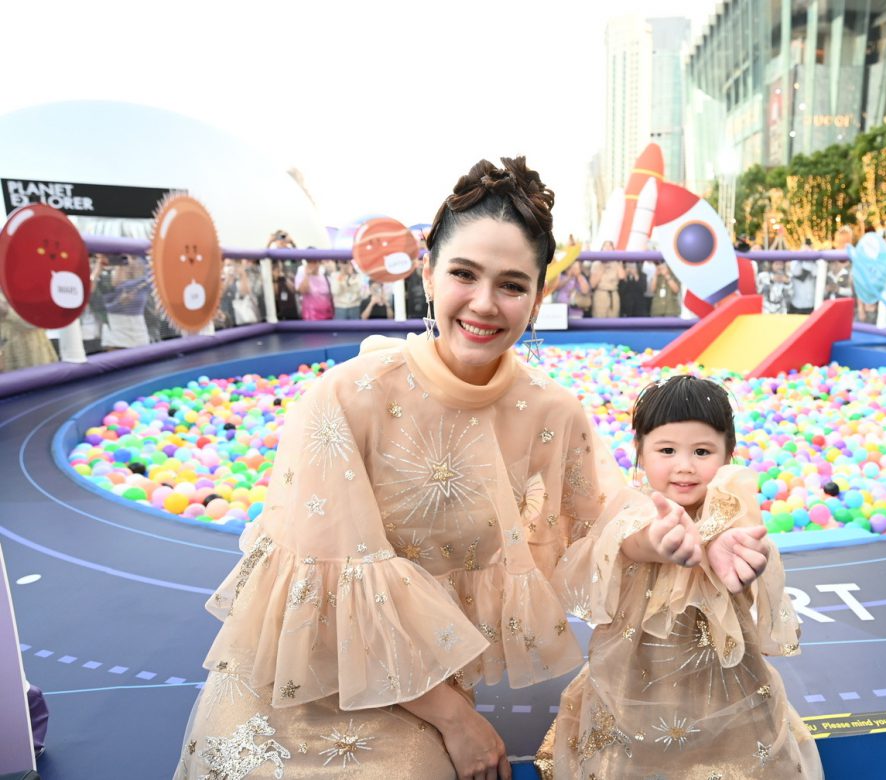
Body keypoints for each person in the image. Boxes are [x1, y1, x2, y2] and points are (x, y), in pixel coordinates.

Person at [173, 156, 633, 780]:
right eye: (464, 274)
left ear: (538, 296)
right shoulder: (342, 399)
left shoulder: (549, 410)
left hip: (415, 696)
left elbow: (614, 521)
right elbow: (326, 607)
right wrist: (455, 720)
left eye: (512, 284)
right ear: (427, 273)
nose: (484, 304)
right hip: (296, 686)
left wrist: (704, 534)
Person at [537, 375, 822, 779]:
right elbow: (631, 540)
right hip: (638, 686)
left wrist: (750, 560)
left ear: (728, 455)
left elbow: (747, 559)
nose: (684, 466)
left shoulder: (733, 516)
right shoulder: (635, 513)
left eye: (702, 451)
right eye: (667, 450)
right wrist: (658, 542)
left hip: (724, 690)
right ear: (640, 450)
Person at [590, 242, 623, 318]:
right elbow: (592, 284)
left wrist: (619, 262)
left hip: (613, 294)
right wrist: (602, 268)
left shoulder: (616, 263)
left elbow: (622, 277)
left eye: (610, 246)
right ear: (602, 249)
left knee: (614, 321)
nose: (608, 248)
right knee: (599, 321)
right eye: (605, 246)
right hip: (601, 293)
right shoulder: (596, 263)